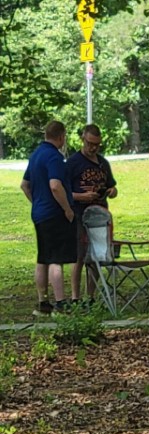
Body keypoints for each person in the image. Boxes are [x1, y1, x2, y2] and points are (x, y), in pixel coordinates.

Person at [20, 120, 77, 315]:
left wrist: (36, 202)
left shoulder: (35, 155)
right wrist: (67, 208)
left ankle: (43, 303)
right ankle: (60, 303)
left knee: (43, 257)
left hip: (39, 214)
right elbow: (55, 185)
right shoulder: (54, 157)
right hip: (55, 214)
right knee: (56, 258)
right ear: (61, 136)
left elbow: (24, 185)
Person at [66, 124, 118, 303]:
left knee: (97, 255)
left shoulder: (103, 163)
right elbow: (63, 192)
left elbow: (113, 186)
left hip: (100, 215)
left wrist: (112, 191)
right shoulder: (73, 163)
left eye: (97, 144)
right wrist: (82, 196)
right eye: (90, 143)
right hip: (80, 214)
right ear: (83, 139)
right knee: (79, 256)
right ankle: (75, 297)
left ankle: (91, 297)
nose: (93, 147)